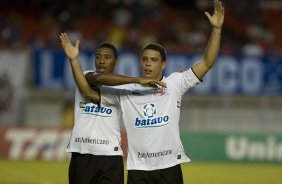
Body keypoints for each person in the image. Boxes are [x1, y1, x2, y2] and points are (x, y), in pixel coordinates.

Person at [67, 0, 224, 183]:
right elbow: (90, 89)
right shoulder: (127, 90)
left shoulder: (175, 83)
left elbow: (207, 62)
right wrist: (74, 62)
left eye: (154, 60)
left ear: (163, 64)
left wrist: (217, 30)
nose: (148, 64)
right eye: (145, 59)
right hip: (138, 170)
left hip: (169, 166)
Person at [59, 33, 166, 184]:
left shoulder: (123, 88)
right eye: (98, 57)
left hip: (110, 154)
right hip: (82, 152)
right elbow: (94, 83)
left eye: (107, 57)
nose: (102, 61)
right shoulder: (85, 76)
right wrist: (73, 60)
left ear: (115, 62)